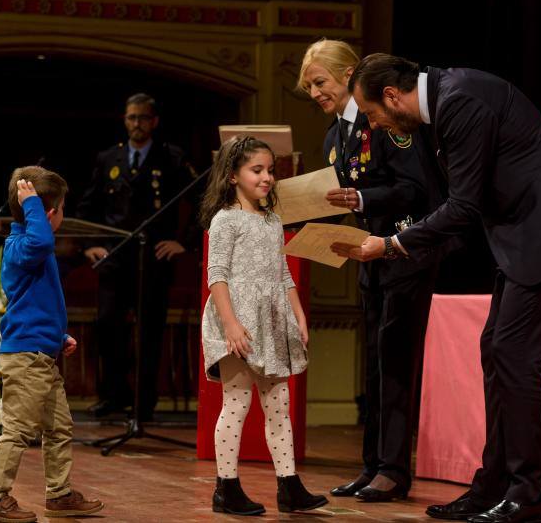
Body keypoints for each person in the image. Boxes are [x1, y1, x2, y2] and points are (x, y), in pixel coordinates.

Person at [336, 54, 541, 523]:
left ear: (391, 95)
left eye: (372, 113)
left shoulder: (459, 101)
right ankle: (493, 485)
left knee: (513, 354)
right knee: (496, 348)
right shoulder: (447, 99)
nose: (376, 124)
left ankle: (527, 495)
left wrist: (392, 244)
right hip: (525, 227)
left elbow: (463, 205)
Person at [298, 39, 451, 502]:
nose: (314, 92)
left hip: (404, 252)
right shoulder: (334, 136)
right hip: (367, 257)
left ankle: (394, 469)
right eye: (308, 86)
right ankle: (371, 465)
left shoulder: (386, 123)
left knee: (397, 362)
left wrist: (364, 200)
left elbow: (416, 187)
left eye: (320, 81)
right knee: (375, 365)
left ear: (348, 75)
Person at [200, 136, 328, 516]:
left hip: (271, 323)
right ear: (233, 175)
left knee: (279, 405)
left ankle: (289, 486)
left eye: (270, 170)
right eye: (257, 170)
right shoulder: (226, 219)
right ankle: (226, 487)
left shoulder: (273, 220)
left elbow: (283, 273)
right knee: (236, 403)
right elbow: (216, 275)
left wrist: (298, 313)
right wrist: (231, 324)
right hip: (237, 320)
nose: (267, 177)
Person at [0, 167, 104, 523]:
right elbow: (41, 241)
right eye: (61, 208)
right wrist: (33, 203)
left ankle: (60, 493)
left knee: (60, 426)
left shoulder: (34, 249)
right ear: (49, 213)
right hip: (24, 358)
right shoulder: (20, 247)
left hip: (41, 353)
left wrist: (57, 336)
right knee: (18, 430)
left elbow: (37, 304)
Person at [77, 93, 196, 420]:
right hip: (115, 258)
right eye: (131, 118)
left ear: (154, 121)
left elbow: (203, 200)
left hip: (152, 259)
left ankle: (143, 404)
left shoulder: (171, 157)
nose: (136, 124)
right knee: (108, 326)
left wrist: (183, 242)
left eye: (143, 118)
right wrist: (90, 245)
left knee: (148, 333)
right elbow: (89, 208)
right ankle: (113, 395)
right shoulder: (108, 159)